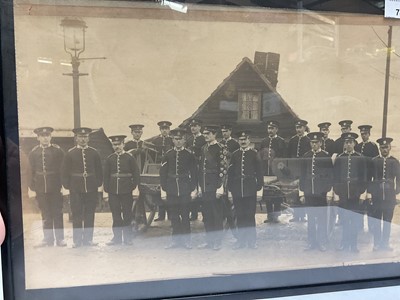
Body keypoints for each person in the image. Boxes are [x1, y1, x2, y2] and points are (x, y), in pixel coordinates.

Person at [62, 127, 103, 248]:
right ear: (76, 138)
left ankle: (88, 240)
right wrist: (68, 186)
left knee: (90, 213)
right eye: (80, 137)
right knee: (77, 214)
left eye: (85, 137)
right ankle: (77, 240)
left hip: (91, 188)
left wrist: (98, 183)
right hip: (76, 189)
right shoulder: (70, 153)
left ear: (88, 138)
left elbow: (99, 170)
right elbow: (65, 171)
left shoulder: (94, 152)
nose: (83, 139)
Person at [159, 128, 197, 249]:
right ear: (173, 140)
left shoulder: (189, 155)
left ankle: (187, 241)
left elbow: (194, 173)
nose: (178, 142)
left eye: (180, 139)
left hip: (185, 189)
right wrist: (164, 190)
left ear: (184, 140)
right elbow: (163, 174)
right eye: (176, 139)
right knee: (174, 216)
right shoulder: (168, 155)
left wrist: (193, 189)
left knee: (185, 216)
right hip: (171, 190)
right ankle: (176, 241)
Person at [28, 127, 66, 247]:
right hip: (40, 188)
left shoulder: (57, 151)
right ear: (38, 137)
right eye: (42, 136)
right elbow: (31, 171)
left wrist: (63, 186)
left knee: (57, 213)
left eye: (47, 135)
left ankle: (60, 239)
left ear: (50, 137)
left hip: (55, 187)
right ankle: (48, 239)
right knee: (45, 214)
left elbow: (63, 169)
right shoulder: (34, 152)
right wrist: (32, 187)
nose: (45, 138)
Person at [228, 131, 263, 249]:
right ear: (238, 141)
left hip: (250, 189)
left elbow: (259, 173)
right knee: (240, 216)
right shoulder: (234, 154)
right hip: (237, 189)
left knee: (249, 216)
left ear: (249, 141)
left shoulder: (254, 154)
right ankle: (241, 241)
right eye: (241, 140)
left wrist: (259, 191)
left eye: (245, 139)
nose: (243, 142)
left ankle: (252, 241)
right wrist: (230, 190)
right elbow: (230, 173)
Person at [299, 132, 333, 252]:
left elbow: (330, 176)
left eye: (316, 142)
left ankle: (321, 242)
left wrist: (329, 192)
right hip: (309, 192)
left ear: (320, 143)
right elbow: (302, 175)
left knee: (322, 219)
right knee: (311, 219)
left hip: (321, 193)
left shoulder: (325, 156)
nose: (314, 144)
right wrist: (301, 193)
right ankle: (311, 242)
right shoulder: (306, 156)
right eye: (312, 143)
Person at [103, 135, 140, 245]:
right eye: (115, 144)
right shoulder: (110, 159)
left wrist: (134, 189)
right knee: (116, 215)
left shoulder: (130, 158)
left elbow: (136, 174)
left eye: (119, 144)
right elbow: (106, 177)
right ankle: (117, 238)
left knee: (127, 215)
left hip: (127, 190)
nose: (117, 146)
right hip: (113, 191)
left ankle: (128, 238)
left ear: (123, 144)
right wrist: (106, 192)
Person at [333, 132, 367, 252]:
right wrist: (336, 193)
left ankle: (353, 245)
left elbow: (364, 178)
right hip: (343, 195)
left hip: (355, 194)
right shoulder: (339, 158)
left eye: (350, 142)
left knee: (354, 220)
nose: (348, 145)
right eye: (346, 142)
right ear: (344, 144)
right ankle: (344, 243)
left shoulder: (360, 157)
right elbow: (335, 177)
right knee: (344, 220)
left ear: (354, 144)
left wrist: (362, 194)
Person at [197, 125, 227, 250]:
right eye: (204, 133)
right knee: (207, 215)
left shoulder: (221, 148)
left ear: (214, 134)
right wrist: (199, 187)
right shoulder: (203, 148)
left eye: (208, 133)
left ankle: (217, 242)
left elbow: (223, 169)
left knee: (216, 215)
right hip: (204, 187)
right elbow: (200, 169)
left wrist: (220, 188)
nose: (205, 135)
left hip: (215, 187)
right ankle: (209, 241)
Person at [368, 137, 400, 251]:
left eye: (386, 147)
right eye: (382, 147)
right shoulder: (374, 161)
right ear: (379, 148)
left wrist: (396, 193)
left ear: (390, 147)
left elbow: (399, 179)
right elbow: (369, 178)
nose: (384, 149)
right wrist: (370, 193)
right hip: (376, 196)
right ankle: (376, 243)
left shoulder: (394, 161)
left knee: (387, 221)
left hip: (389, 197)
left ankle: (385, 244)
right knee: (376, 220)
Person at [258, 120, 286, 223]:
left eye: (272, 128)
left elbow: (283, 157)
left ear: (276, 129)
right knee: (268, 194)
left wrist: (280, 171)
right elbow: (260, 156)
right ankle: (269, 215)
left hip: (276, 172)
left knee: (277, 194)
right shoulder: (264, 141)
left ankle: (277, 215)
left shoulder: (280, 141)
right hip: (266, 172)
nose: (270, 130)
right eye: (269, 128)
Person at [355, 125, 379, 232]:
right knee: (359, 201)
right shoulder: (358, 146)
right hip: (359, 178)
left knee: (369, 202)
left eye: (365, 134)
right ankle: (359, 225)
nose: (363, 136)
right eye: (362, 134)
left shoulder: (373, 146)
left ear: (369, 134)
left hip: (369, 177)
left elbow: (376, 163)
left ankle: (371, 226)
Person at [288, 119, 311, 222]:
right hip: (294, 169)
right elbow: (288, 155)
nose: (298, 130)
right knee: (294, 192)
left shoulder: (308, 140)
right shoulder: (292, 140)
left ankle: (303, 215)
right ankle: (296, 215)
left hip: (304, 169)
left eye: (300, 127)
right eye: (297, 127)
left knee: (303, 190)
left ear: (304, 128)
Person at [152, 121, 174, 222]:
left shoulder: (172, 140)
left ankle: (170, 215)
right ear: (160, 130)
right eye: (163, 129)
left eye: (166, 128)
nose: (164, 130)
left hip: (170, 167)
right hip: (158, 167)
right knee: (158, 190)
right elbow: (152, 155)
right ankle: (161, 215)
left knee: (169, 190)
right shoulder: (156, 140)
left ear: (169, 130)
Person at [186, 119, 206, 221]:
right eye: (191, 126)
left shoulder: (203, 138)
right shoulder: (189, 139)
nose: (193, 128)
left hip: (201, 167)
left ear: (200, 127)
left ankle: (205, 214)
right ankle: (193, 214)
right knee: (193, 189)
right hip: (191, 168)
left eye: (195, 126)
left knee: (202, 189)